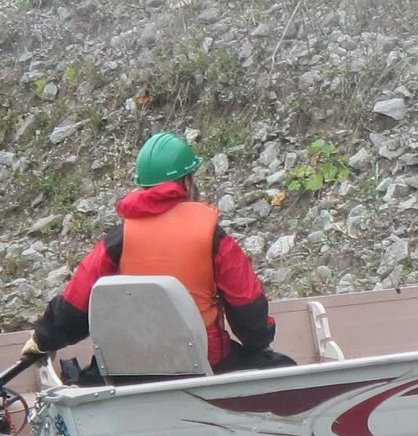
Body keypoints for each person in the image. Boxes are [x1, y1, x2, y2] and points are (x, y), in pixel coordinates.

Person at [22, 131, 291, 374]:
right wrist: (259, 341)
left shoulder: (119, 239)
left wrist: (44, 338)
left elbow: (75, 305)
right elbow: (247, 305)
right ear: (187, 181)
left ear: (143, 186)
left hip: (131, 366)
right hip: (204, 361)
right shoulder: (212, 237)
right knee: (283, 369)